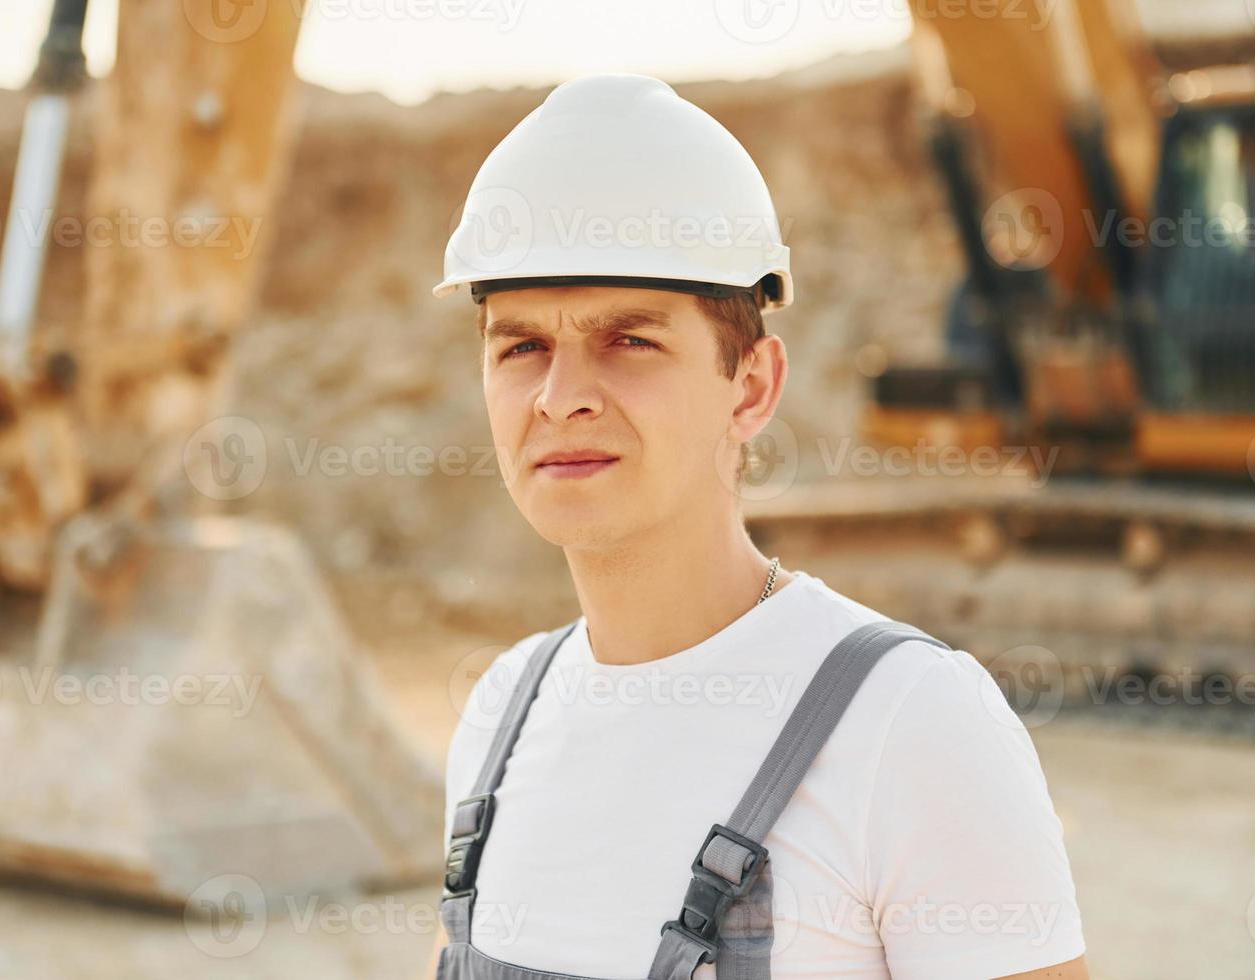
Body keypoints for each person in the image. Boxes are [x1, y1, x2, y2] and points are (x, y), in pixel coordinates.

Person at [424, 73, 1089, 980]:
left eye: (630, 340)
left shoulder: (911, 725)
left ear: (752, 387)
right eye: (522, 346)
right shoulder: (501, 714)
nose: (560, 399)